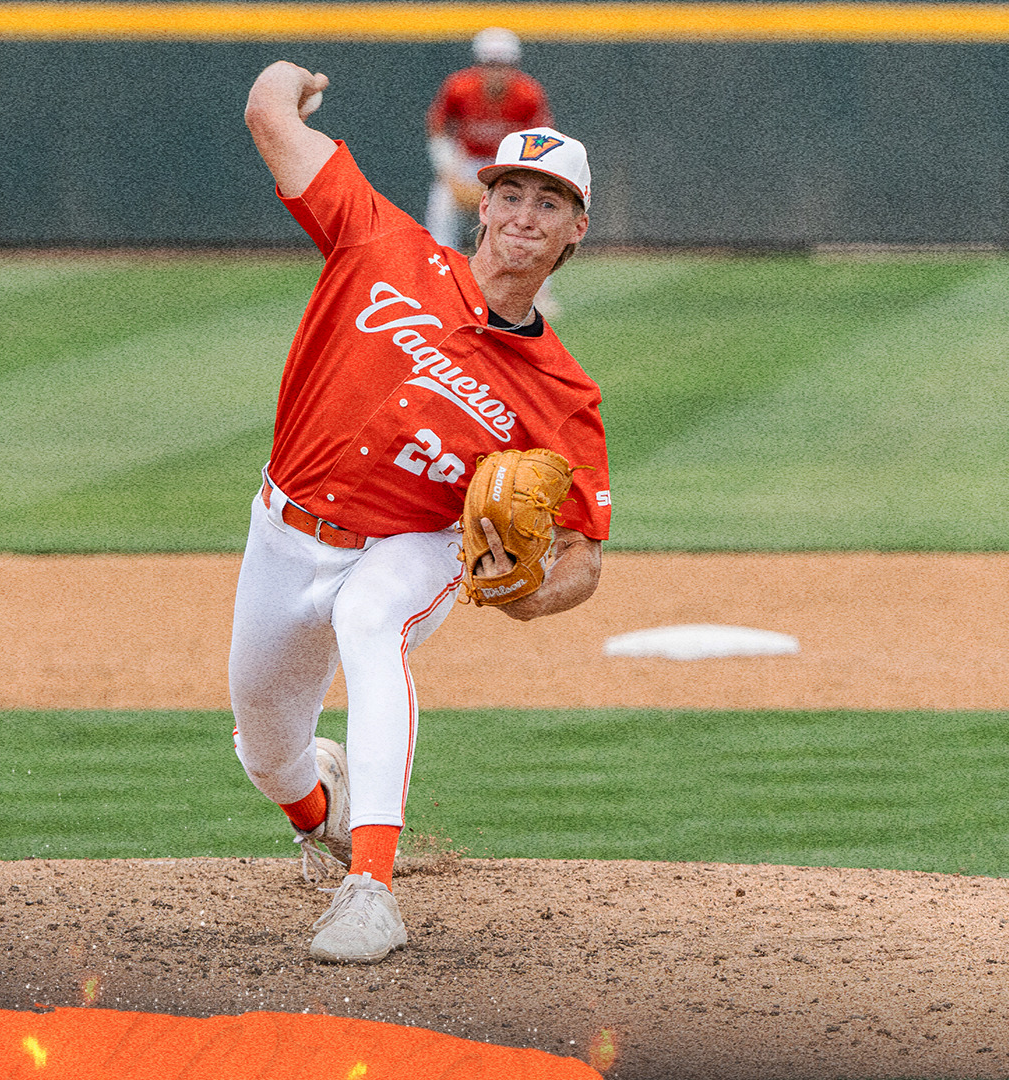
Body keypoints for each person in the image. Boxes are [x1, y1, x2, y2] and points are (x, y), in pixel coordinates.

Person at [234, 59, 613, 965]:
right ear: (482, 205)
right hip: (285, 527)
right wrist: (288, 79)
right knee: (263, 748)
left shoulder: (563, 394)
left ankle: (372, 888)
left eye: (550, 203)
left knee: (370, 620)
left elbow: (583, 555)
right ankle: (320, 811)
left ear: (575, 232)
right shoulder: (380, 243)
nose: (525, 214)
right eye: (511, 193)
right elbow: (269, 118)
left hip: (416, 543)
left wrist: (530, 598)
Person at [424, 28, 553, 251]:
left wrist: (521, 176)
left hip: (508, 161)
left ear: (514, 66)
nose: (496, 72)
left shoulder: (528, 93)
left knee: (529, 212)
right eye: (490, 64)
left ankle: (534, 276)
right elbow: (438, 128)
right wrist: (449, 174)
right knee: (442, 204)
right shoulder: (459, 87)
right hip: (468, 161)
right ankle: (439, 267)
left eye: (503, 65)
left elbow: (540, 139)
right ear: (478, 65)